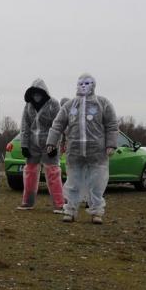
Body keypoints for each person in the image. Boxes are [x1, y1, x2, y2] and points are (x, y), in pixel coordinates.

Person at [46, 74, 118, 224]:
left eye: (87, 83)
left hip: (97, 153)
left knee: (97, 183)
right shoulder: (70, 106)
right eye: (81, 83)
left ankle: (96, 212)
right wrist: (51, 142)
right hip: (75, 152)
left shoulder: (102, 103)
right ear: (77, 85)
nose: (84, 86)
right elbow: (58, 124)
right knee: (73, 183)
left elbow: (112, 124)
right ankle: (70, 210)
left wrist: (111, 144)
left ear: (94, 85)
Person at [16, 79, 64, 213]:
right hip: (32, 145)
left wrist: (53, 145)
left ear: (44, 93)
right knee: (29, 172)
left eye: (39, 93)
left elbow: (58, 126)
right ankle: (27, 202)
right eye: (34, 93)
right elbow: (25, 126)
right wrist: (24, 145)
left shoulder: (53, 104)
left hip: (49, 144)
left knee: (53, 172)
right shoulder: (28, 106)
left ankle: (59, 204)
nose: (36, 96)